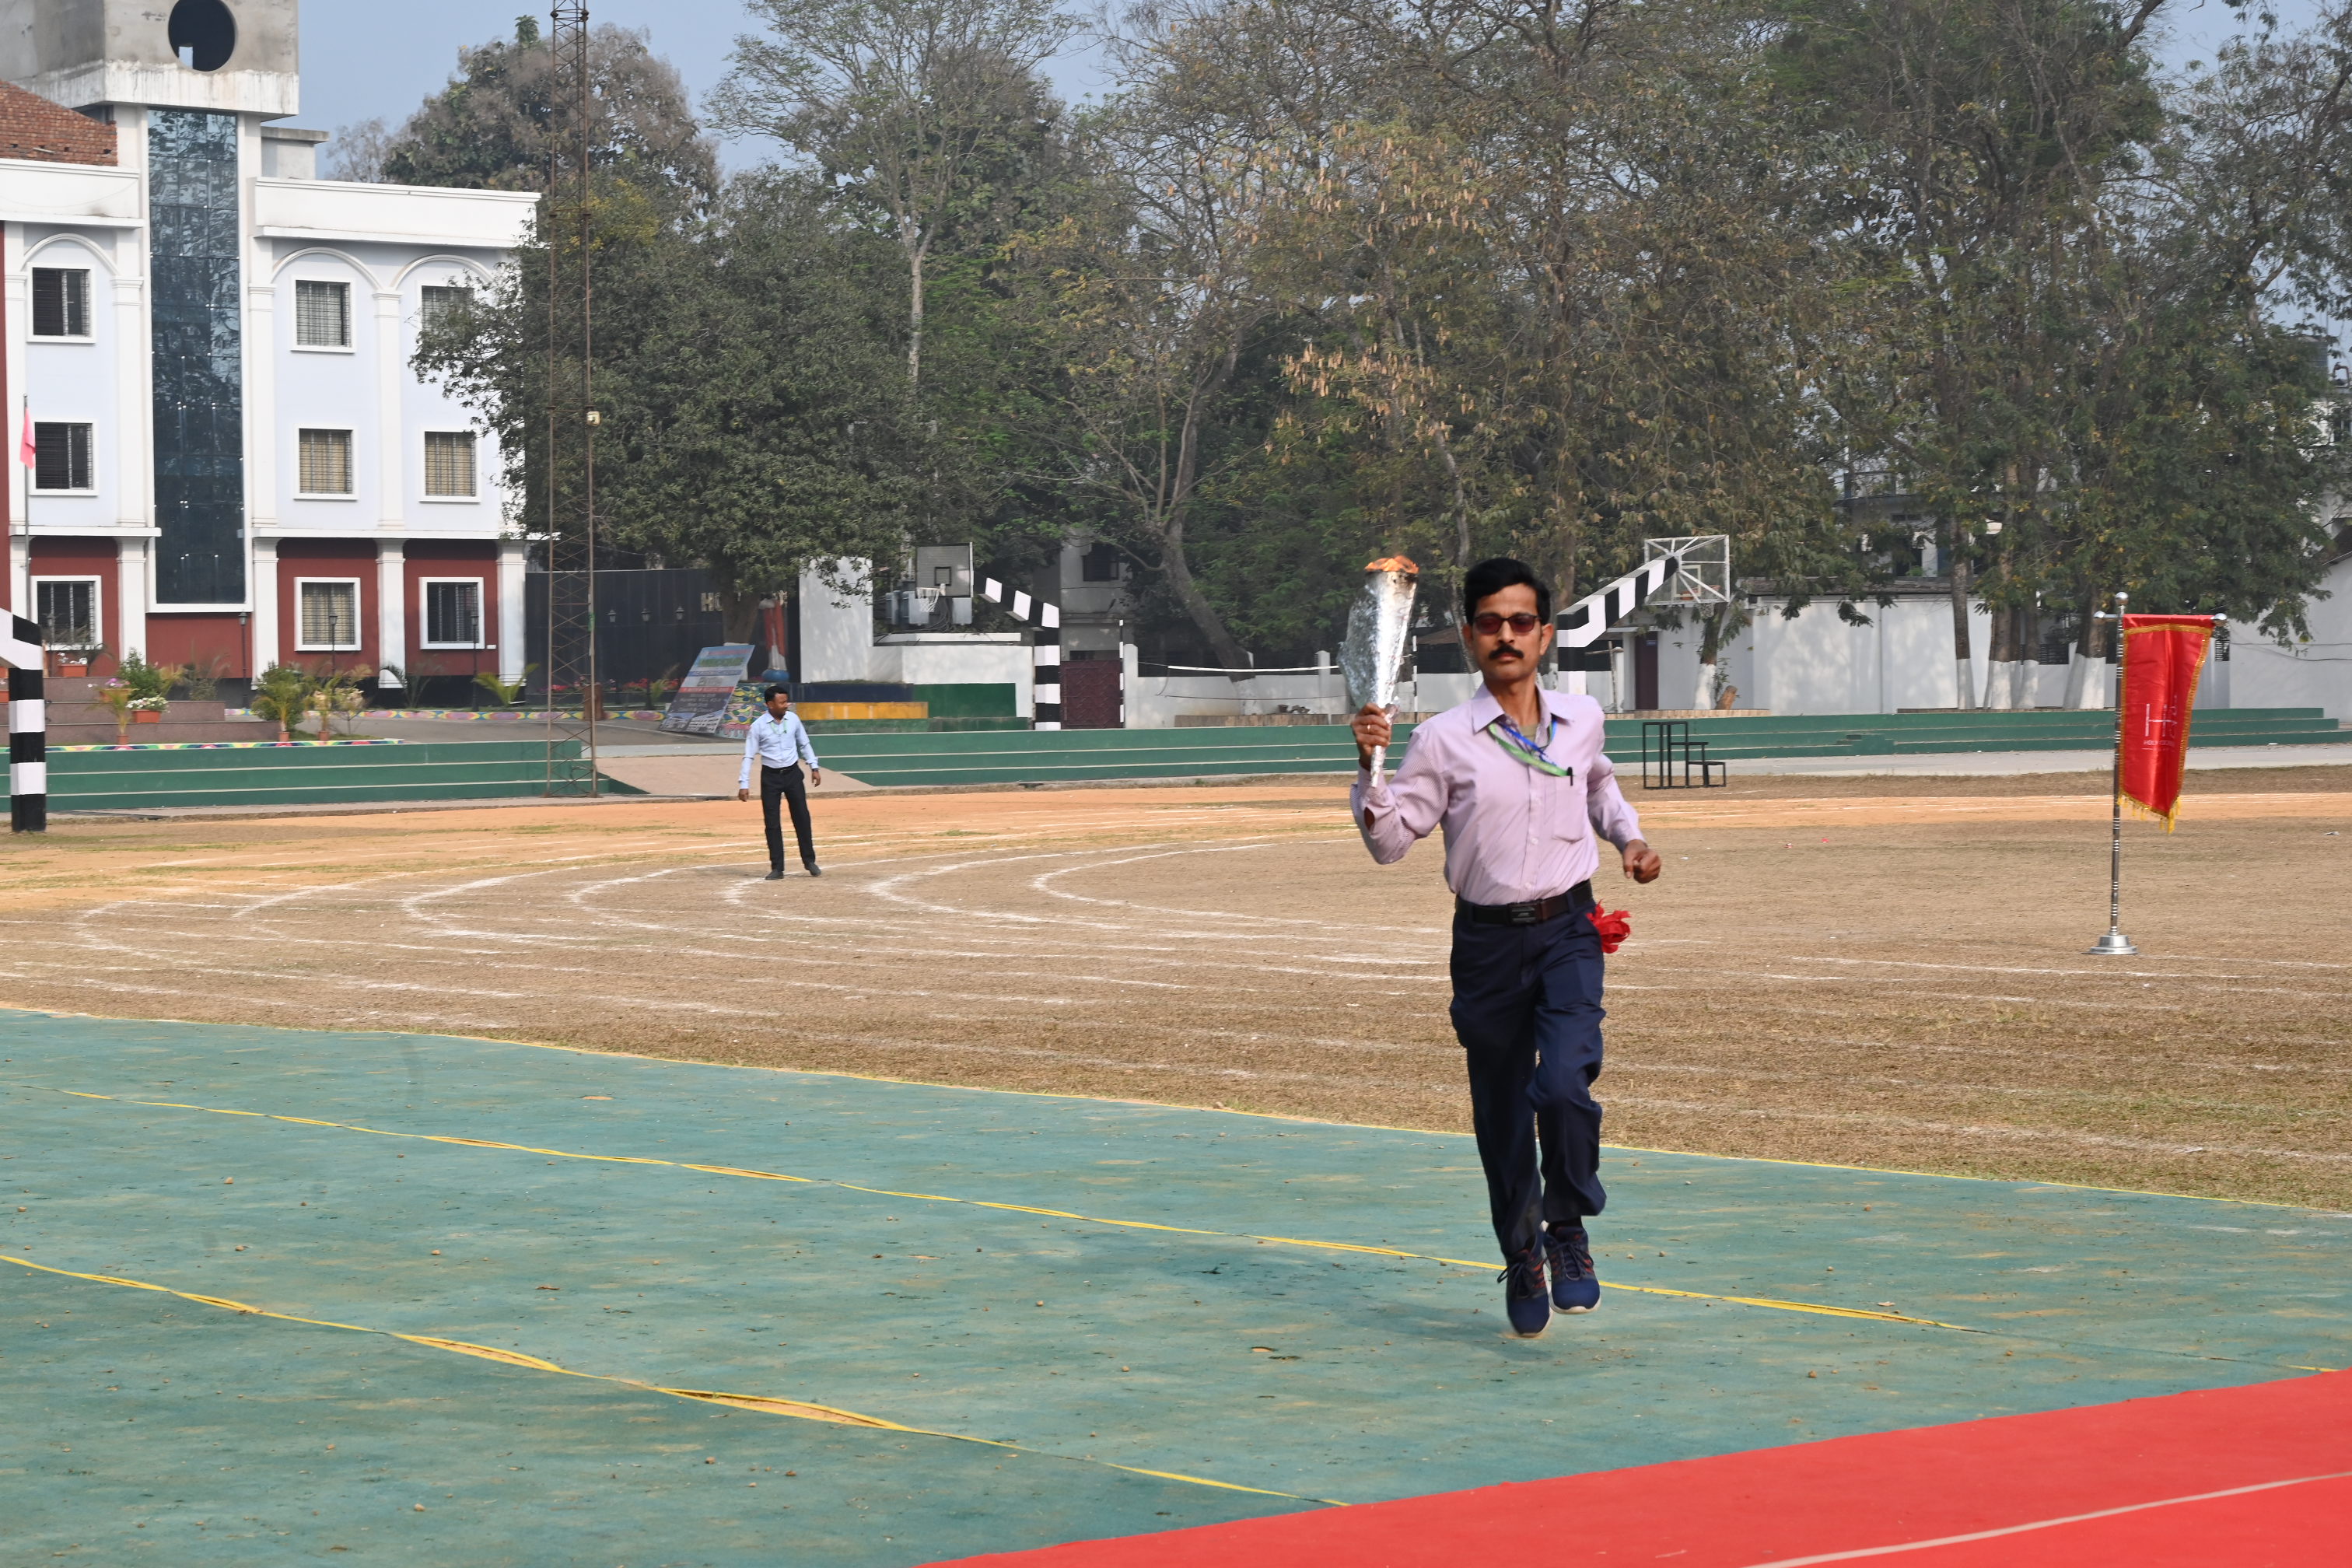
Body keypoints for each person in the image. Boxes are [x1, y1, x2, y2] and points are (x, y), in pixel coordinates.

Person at [1350, 557, 1661, 1338]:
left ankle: (1567, 1226)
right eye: (1490, 623)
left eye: (1522, 622)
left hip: (1568, 931)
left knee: (1562, 1086)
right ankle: (1522, 1253)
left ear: (1545, 635)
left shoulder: (1581, 719)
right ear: (1469, 636)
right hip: (1487, 945)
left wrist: (1629, 838)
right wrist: (1369, 769)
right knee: (1499, 1112)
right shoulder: (1442, 740)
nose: (1506, 636)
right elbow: (1391, 843)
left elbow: (1598, 784)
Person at [737, 684, 824, 880]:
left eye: (787, 701)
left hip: (793, 774)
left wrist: (814, 767)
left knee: (802, 817)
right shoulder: (758, 726)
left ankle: (809, 861)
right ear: (770, 704)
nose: (787, 705)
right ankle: (777, 867)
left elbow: (804, 743)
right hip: (771, 777)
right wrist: (744, 783)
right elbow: (749, 755)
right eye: (782, 702)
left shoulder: (793, 719)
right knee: (772, 823)